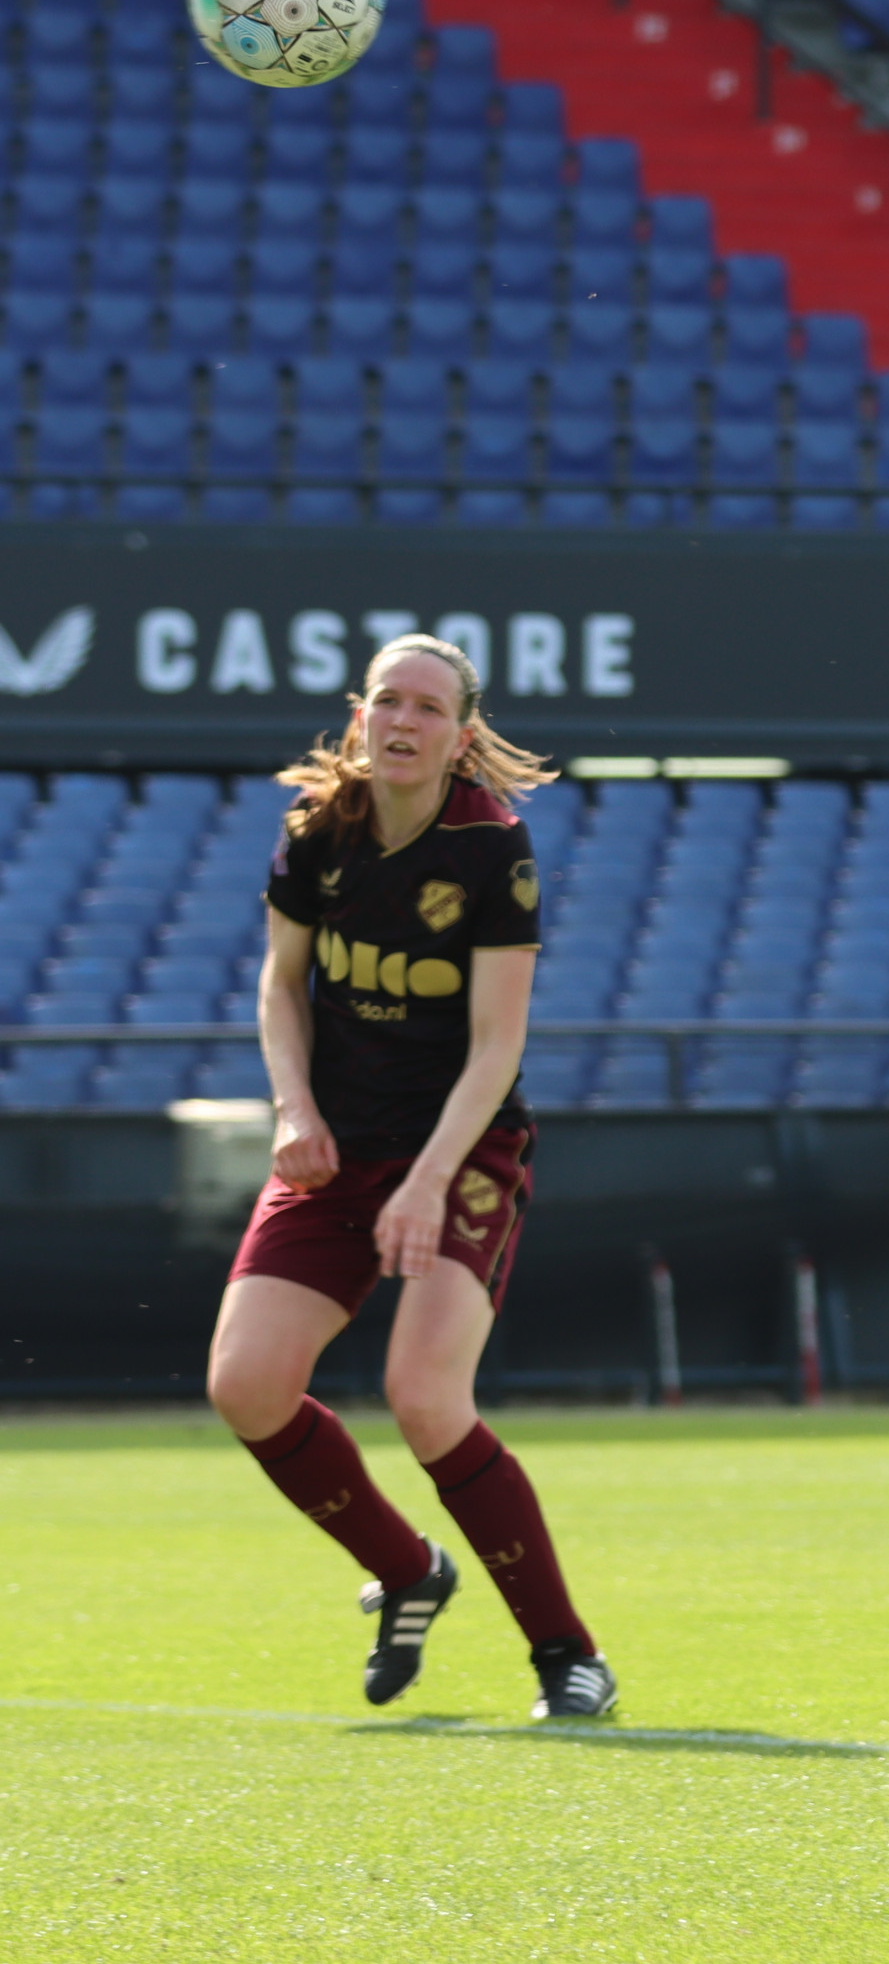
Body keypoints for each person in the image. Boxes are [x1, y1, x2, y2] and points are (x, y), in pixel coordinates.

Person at [206, 634, 615, 1721]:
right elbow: (281, 987)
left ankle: (567, 1655)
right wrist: (293, 1108)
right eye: (387, 698)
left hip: (461, 1147)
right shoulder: (315, 831)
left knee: (425, 1396)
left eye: (429, 707)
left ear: (462, 735)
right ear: (360, 714)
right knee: (245, 1385)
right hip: (337, 1143)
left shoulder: (494, 849)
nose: (403, 719)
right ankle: (408, 1570)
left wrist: (430, 1180)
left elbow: (496, 1049)